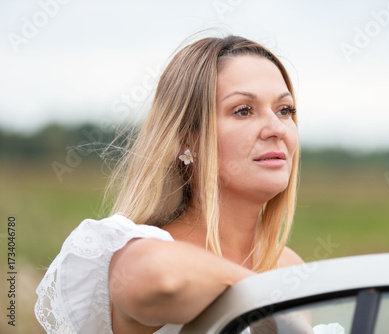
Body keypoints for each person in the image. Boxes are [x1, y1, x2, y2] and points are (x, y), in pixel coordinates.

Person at [35, 34, 304, 334]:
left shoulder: (288, 265)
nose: (277, 128)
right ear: (187, 138)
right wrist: (267, 306)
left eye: (285, 110)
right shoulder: (136, 250)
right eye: (243, 110)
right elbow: (162, 279)